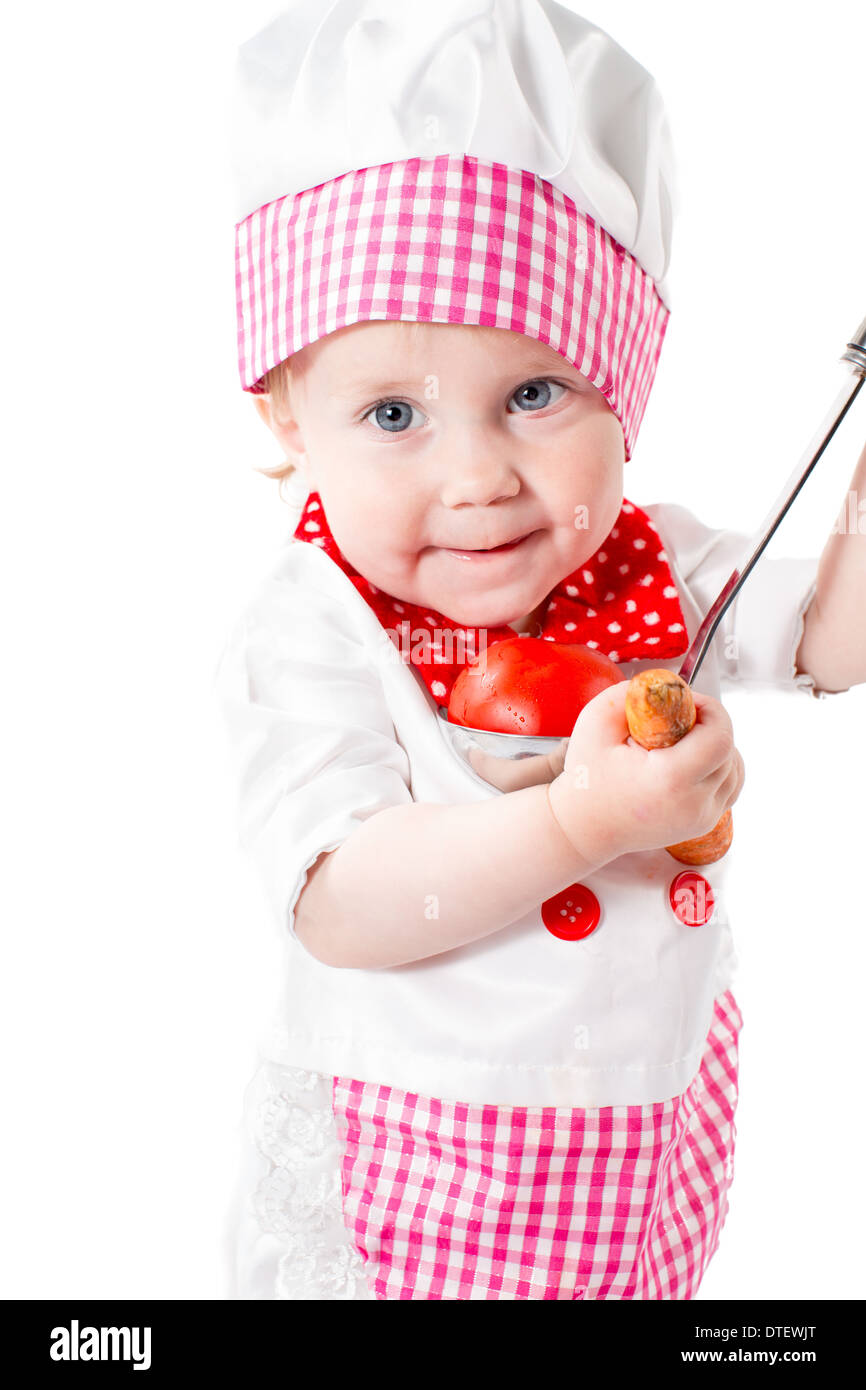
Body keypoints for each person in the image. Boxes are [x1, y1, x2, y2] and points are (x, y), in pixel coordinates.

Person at [214, 0, 856, 1300]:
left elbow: (830, 643)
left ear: (618, 385)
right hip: (413, 1169)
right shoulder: (314, 626)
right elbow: (340, 901)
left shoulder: (649, 568)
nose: (476, 479)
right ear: (287, 416)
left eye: (533, 393)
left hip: (638, 1151)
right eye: (392, 410)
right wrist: (577, 820)